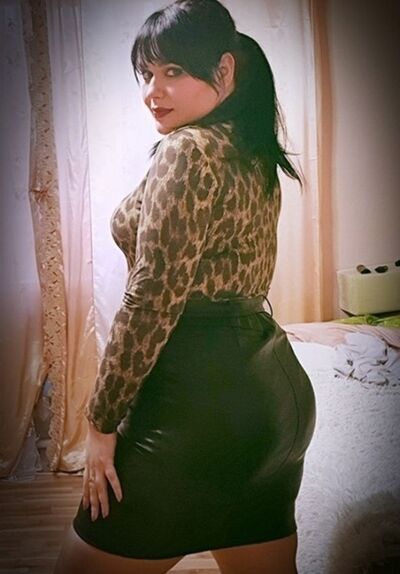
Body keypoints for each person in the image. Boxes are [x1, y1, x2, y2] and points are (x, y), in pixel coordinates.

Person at [54, 1, 316, 573]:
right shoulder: (252, 151)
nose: (154, 91)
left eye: (173, 71)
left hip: (195, 407)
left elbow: (152, 298)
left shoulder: (186, 149)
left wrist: (99, 423)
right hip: (272, 402)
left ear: (224, 70)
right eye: (147, 74)